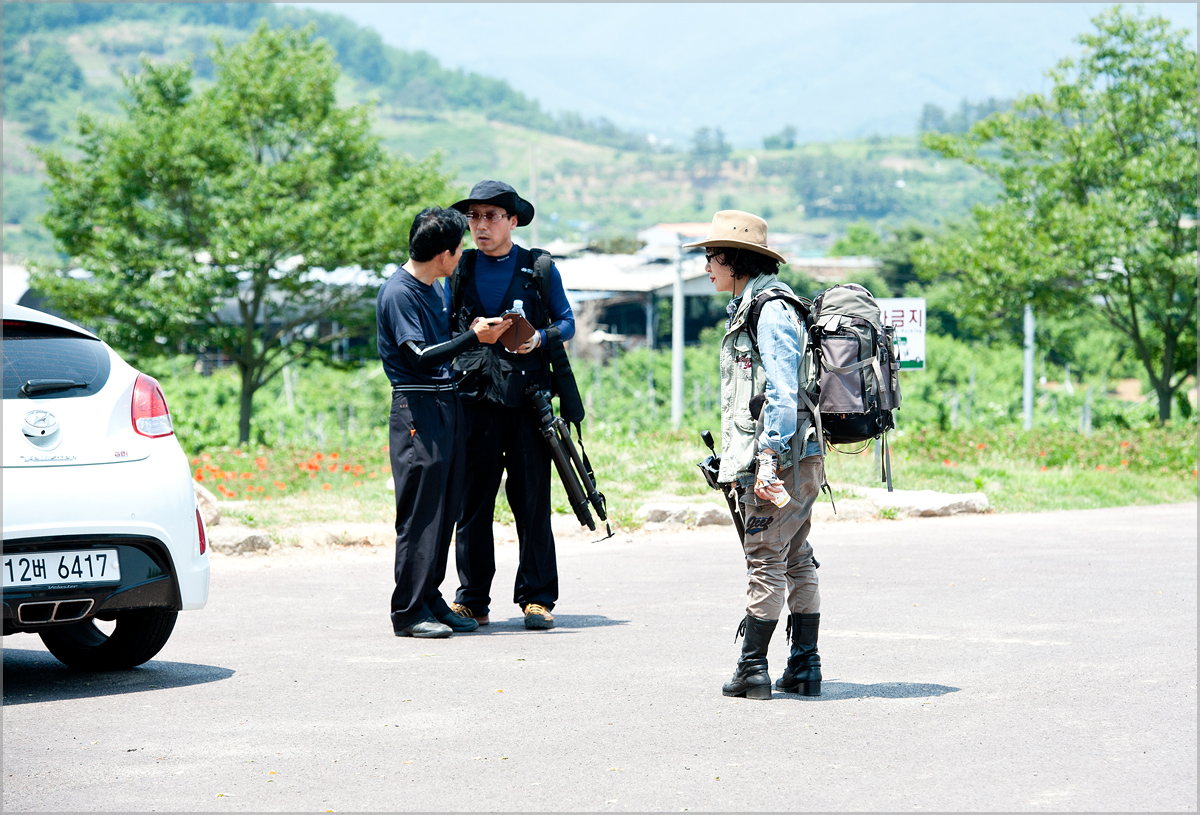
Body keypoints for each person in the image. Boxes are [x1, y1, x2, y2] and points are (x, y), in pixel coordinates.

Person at [685, 210, 825, 699]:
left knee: (765, 557)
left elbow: (783, 393)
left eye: (711, 256)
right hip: (794, 455)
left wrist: (767, 460)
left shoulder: (769, 310)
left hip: (783, 459)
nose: (706, 267)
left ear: (734, 258)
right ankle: (804, 666)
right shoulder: (754, 305)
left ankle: (753, 669)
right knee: (796, 556)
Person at [441, 180, 576, 631]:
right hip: (474, 401)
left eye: (491, 216)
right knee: (472, 504)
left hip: (526, 403)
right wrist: (470, 335)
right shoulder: (460, 268)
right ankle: (471, 599)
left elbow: (567, 322)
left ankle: (537, 598)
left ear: (512, 221)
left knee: (532, 502)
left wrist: (539, 338)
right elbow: (446, 329)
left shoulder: (538, 268)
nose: (480, 226)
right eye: (474, 217)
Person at [376, 206, 511, 638]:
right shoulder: (399, 292)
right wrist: (474, 338)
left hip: (446, 404)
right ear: (445, 254)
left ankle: (429, 599)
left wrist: (472, 330)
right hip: (416, 409)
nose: (462, 255)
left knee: (445, 509)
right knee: (420, 514)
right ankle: (407, 611)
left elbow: (442, 344)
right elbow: (417, 356)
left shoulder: (436, 287)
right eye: (460, 248)